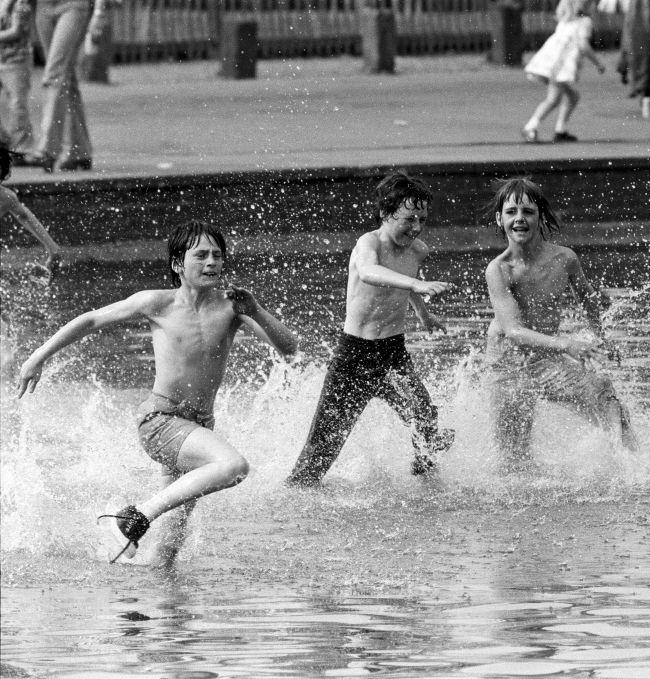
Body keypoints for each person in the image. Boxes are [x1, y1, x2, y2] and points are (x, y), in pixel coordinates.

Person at [17, 220, 299, 565]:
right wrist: (37, 357)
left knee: (168, 553)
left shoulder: (233, 307)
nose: (212, 262)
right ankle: (136, 515)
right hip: (161, 421)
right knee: (233, 466)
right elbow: (91, 320)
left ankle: (152, 597)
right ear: (178, 264)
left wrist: (256, 310)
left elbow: (288, 348)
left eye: (217, 255)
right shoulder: (157, 302)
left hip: (197, 428)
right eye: (201, 255)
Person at [285, 171, 454, 486]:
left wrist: (424, 314)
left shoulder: (418, 250)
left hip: (392, 353)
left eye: (423, 219)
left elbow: (404, 286)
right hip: (354, 356)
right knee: (321, 450)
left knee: (425, 418)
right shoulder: (369, 244)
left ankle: (427, 484)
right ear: (386, 214)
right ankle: (296, 494)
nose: (416, 227)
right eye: (409, 219)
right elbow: (370, 272)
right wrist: (419, 283)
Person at [483, 177, 638, 464]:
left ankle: (635, 467)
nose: (519, 219)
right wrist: (568, 345)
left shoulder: (565, 259)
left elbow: (589, 300)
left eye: (528, 212)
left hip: (544, 359)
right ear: (499, 219)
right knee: (514, 458)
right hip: (506, 364)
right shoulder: (499, 269)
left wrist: (602, 338)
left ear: (540, 216)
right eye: (511, 212)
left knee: (604, 394)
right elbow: (513, 331)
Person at [21, 0, 112, 172]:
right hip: (43, 8)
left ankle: (47, 148)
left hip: (73, 5)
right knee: (65, 77)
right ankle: (79, 152)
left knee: (54, 73)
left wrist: (100, 11)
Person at [522, 0, 606, 143]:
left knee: (572, 96)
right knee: (553, 99)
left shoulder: (565, 21)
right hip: (560, 67)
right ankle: (531, 126)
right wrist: (598, 63)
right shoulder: (585, 22)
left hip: (551, 64)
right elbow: (583, 45)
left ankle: (560, 130)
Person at [1, 145, 63, 275]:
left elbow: (24, 216)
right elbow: (24, 216)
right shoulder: (6, 197)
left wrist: (53, 249)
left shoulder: (6, 197)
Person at [0, 0, 36, 160]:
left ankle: (22, 147)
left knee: (17, 104)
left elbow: (17, 31)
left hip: (17, 61)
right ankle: (6, 142)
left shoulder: (20, 3)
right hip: (2, 60)